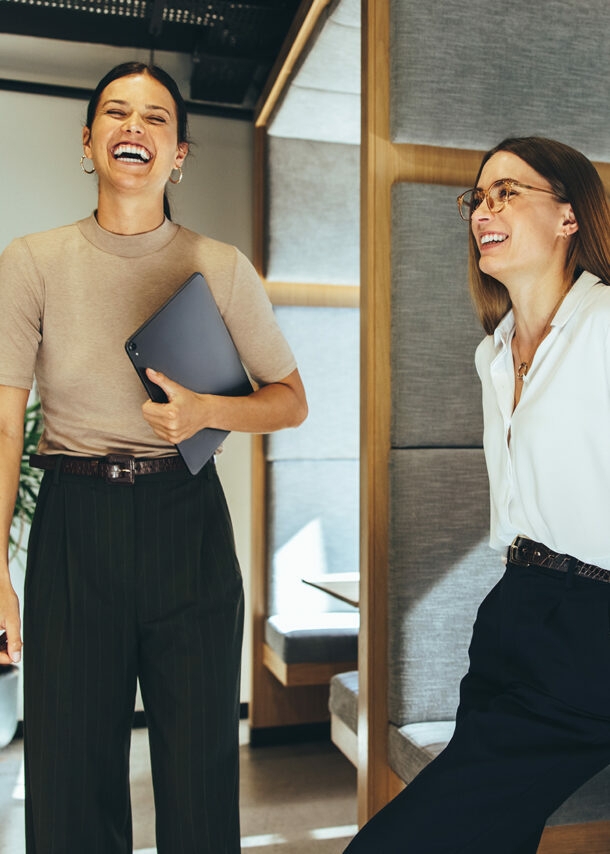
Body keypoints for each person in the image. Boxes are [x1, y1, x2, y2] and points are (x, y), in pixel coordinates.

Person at [0, 62, 307, 854]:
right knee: (68, 779)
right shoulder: (31, 261)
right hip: (75, 521)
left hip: (187, 522)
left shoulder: (219, 265)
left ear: (180, 154)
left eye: (155, 118)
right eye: (115, 112)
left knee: (200, 776)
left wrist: (208, 411)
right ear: (88, 141)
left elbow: (290, 399)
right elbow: (4, 427)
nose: (133, 126)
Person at [343, 136, 610, 853]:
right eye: (478, 197)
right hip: (513, 609)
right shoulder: (493, 352)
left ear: (568, 217)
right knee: (493, 838)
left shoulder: (607, 326)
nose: (484, 210)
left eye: (508, 192)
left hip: (593, 627)